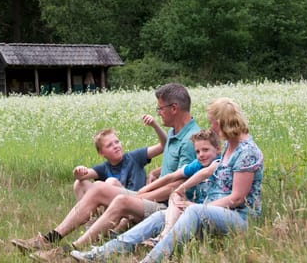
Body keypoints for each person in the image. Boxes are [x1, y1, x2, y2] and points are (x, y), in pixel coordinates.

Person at [12, 83, 200, 261]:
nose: (158, 113)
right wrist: (155, 173)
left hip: (169, 208)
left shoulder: (189, 140)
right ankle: (48, 240)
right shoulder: (176, 133)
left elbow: (178, 187)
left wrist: (144, 193)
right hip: (154, 198)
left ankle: (63, 252)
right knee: (99, 187)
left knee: (120, 198)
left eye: (160, 109)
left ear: (174, 108)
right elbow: (177, 169)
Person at [70, 97, 264, 263]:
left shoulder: (246, 152)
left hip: (239, 217)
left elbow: (237, 199)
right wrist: (181, 196)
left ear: (224, 122)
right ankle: (99, 254)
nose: (211, 127)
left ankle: (152, 259)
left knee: (193, 210)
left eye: (213, 122)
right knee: (159, 216)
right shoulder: (230, 146)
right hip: (211, 209)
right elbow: (199, 174)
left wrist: (198, 207)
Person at [140, 129, 221, 247]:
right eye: (197, 152)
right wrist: (144, 190)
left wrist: (181, 188)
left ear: (218, 149)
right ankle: (164, 234)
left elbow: (205, 173)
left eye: (205, 150)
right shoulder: (197, 164)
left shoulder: (220, 162)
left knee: (177, 194)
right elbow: (172, 176)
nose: (201, 155)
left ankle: (164, 237)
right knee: (175, 195)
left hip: (212, 211)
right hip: (195, 207)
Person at [73, 117, 167, 202]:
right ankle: (90, 218)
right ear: (101, 153)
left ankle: (111, 218)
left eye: (117, 142)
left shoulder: (135, 157)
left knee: (111, 182)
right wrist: (79, 170)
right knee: (79, 183)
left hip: (137, 200)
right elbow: (82, 176)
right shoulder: (104, 168)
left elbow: (164, 146)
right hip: (116, 204)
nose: (116, 146)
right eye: (109, 145)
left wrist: (155, 125)